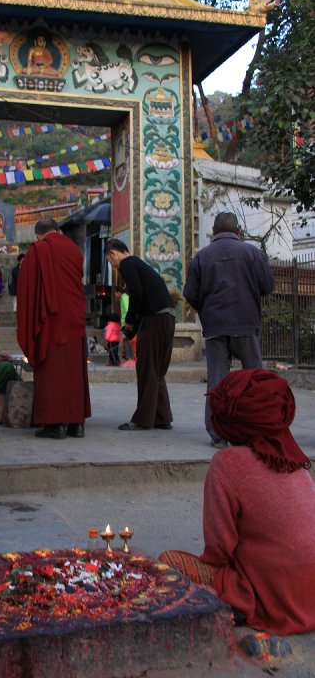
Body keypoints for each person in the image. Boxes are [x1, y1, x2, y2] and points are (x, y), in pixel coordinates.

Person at [159, 369, 315, 636]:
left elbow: (220, 548)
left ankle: (239, 602)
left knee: (169, 562)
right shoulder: (295, 460)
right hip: (310, 592)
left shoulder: (226, 463)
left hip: (271, 592)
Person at [183, 211, 275, 448]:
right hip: (246, 323)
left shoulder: (201, 257)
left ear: (213, 231)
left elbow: (190, 294)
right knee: (254, 379)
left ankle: (218, 434)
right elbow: (266, 287)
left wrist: (207, 309)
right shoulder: (253, 254)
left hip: (215, 327)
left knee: (217, 380)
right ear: (239, 232)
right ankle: (255, 431)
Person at [17, 218, 91, 439]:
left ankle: (55, 424)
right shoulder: (74, 249)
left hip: (50, 320)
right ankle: (76, 424)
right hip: (75, 318)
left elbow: (27, 289)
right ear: (57, 231)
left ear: (39, 235)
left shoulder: (38, 250)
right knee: (74, 373)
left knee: (52, 372)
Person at [105, 238, 175, 431]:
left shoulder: (127, 264)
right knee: (157, 369)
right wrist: (131, 331)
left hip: (154, 320)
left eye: (111, 262)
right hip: (167, 318)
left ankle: (143, 419)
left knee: (146, 368)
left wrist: (128, 322)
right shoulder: (140, 264)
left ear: (113, 254)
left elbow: (136, 293)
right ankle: (162, 416)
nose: (113, 266)